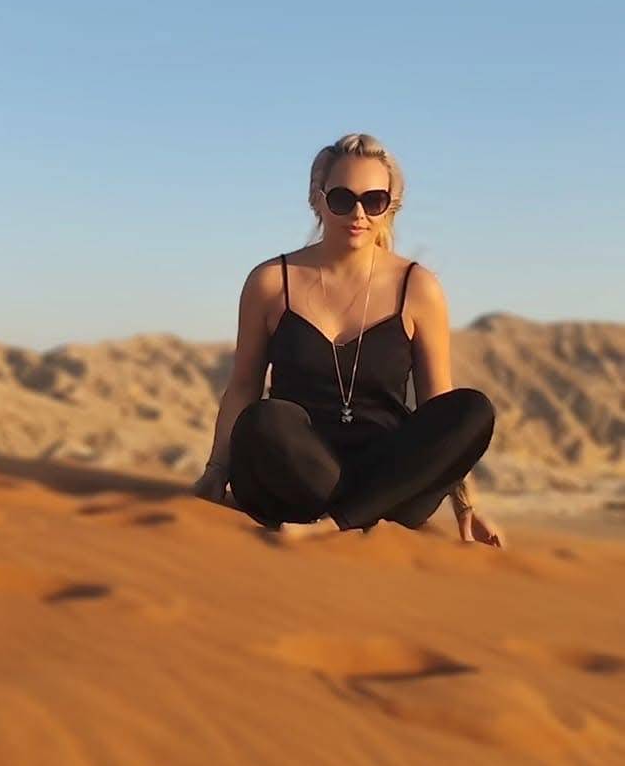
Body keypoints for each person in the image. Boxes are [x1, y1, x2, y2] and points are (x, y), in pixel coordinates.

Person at [190, 131, 503, 547]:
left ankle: (336, 522)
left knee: (471, 408)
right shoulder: (271, 282)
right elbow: (244, 385)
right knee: (265, 419)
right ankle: (354, 515)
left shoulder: (417, 287)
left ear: (391, 205)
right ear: (317, 199)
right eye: (342, 198)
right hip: (295, 471)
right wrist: (215, 472)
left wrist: (465, 504)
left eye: (373, 200)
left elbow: (437, 405)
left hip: (389, 477)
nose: (358, 213)